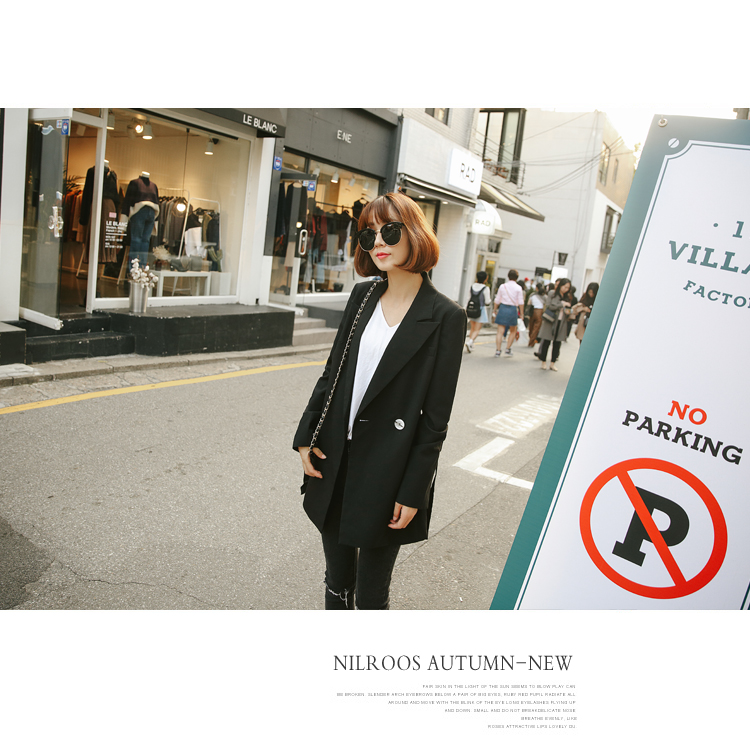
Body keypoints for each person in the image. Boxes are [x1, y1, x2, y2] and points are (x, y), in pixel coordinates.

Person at [293, 192, 467, 610]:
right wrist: (306, 435)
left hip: (390, 467)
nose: (378, 243)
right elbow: (333, 372)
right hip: (336, 456)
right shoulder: (362, 296)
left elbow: (435, 419)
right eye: (368, 235)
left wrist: (414, 490)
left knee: (371, 594)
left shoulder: (446, 316)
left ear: (415, 233)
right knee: (337, 581)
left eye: (389, 230)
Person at [537, 277, 572, 371]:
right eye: (565, 287)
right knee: (546, 341)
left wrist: (569, 311)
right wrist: (562, 304)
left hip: (561, 322)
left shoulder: (567, 297)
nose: (566, 289)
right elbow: (549, 306)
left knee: (557, 343)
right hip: (551, 320)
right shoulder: (552, 293)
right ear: (560, 285)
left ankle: (552, 363)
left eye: (568, 288)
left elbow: (568, 310)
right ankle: (543, 362)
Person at [492, 269, 524, 357]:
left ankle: (498, 350)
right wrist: (521, 313)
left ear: (508, 276)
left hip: (502, 308)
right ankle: (508, 348)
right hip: (513, 309)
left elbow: (497, 299)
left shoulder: (503, 286)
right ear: (517, 277)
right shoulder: (518, 288)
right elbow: (521, 302)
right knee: (513, 330)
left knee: (500, 331)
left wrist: (494, 309)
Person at [465, 270, 491, 352]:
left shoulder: (472, 286)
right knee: (477, 329)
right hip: (480, 310)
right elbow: (487, 301)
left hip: (471, 308)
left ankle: (471, 344)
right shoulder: (485, 288)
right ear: (485, 279)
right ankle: (470, 342)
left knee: (472, 328)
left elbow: (468, 298)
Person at [526, 282, 546, 346]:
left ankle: (530, 339)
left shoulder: (532, 295)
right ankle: (531, 342)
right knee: (536, 328)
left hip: (532, 311)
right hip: (540, 312)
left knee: (531, 326)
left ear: (536, 288)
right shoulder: (544, 297)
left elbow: (529, 303)